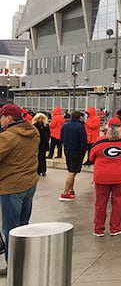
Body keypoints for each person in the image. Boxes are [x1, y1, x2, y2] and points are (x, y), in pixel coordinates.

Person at [0, 104, 40, 273]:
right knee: (24, 226)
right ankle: (25, 263)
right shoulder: (33, 132)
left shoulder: (8, 137)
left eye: (1, 116)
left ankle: (14, 267)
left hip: (11, 186)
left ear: (9, 118)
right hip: (29, 184)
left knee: (10, 229)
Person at [90, 117, 121, 236]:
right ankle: (115, 228)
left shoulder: (99, 141)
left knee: (100, 203)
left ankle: (98, 229)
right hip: (120, 176)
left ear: (107, 127)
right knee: (118, 202)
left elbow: (91, 157)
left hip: (102, 176)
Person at [59, 111, 88, 201]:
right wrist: (84, 148)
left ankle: (71, 190)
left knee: (71, 171)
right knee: (73, 171)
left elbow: (61, 138)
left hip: (68, 150)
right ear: (80, 117)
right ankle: (65, 192)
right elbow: (83, 139)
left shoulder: (65, 125)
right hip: (77, 151)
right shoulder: (80, 127)